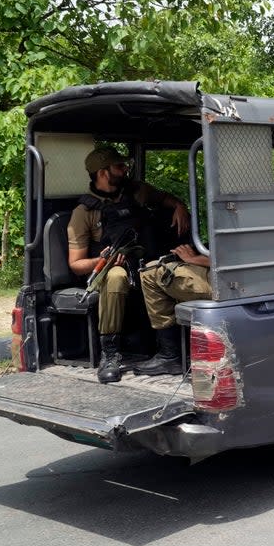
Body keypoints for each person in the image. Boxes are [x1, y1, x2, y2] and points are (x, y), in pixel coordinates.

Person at [67, 146, 190, 382]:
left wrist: (179, 207)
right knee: (116, 276)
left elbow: (164, 198)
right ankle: (110, 355)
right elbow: (76, 264)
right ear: (103, 172)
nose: (125, 170)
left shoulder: (136, 192)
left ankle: (172, 352)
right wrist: (105, 259)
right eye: (119, 166)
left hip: (144, 262)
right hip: (108, 269)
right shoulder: (84, 213)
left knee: (168, 270)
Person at [133, 244, 211, 377]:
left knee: (150, 271)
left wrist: (193, 259)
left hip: (222, 280)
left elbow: (229, 258)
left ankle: (169, 355)